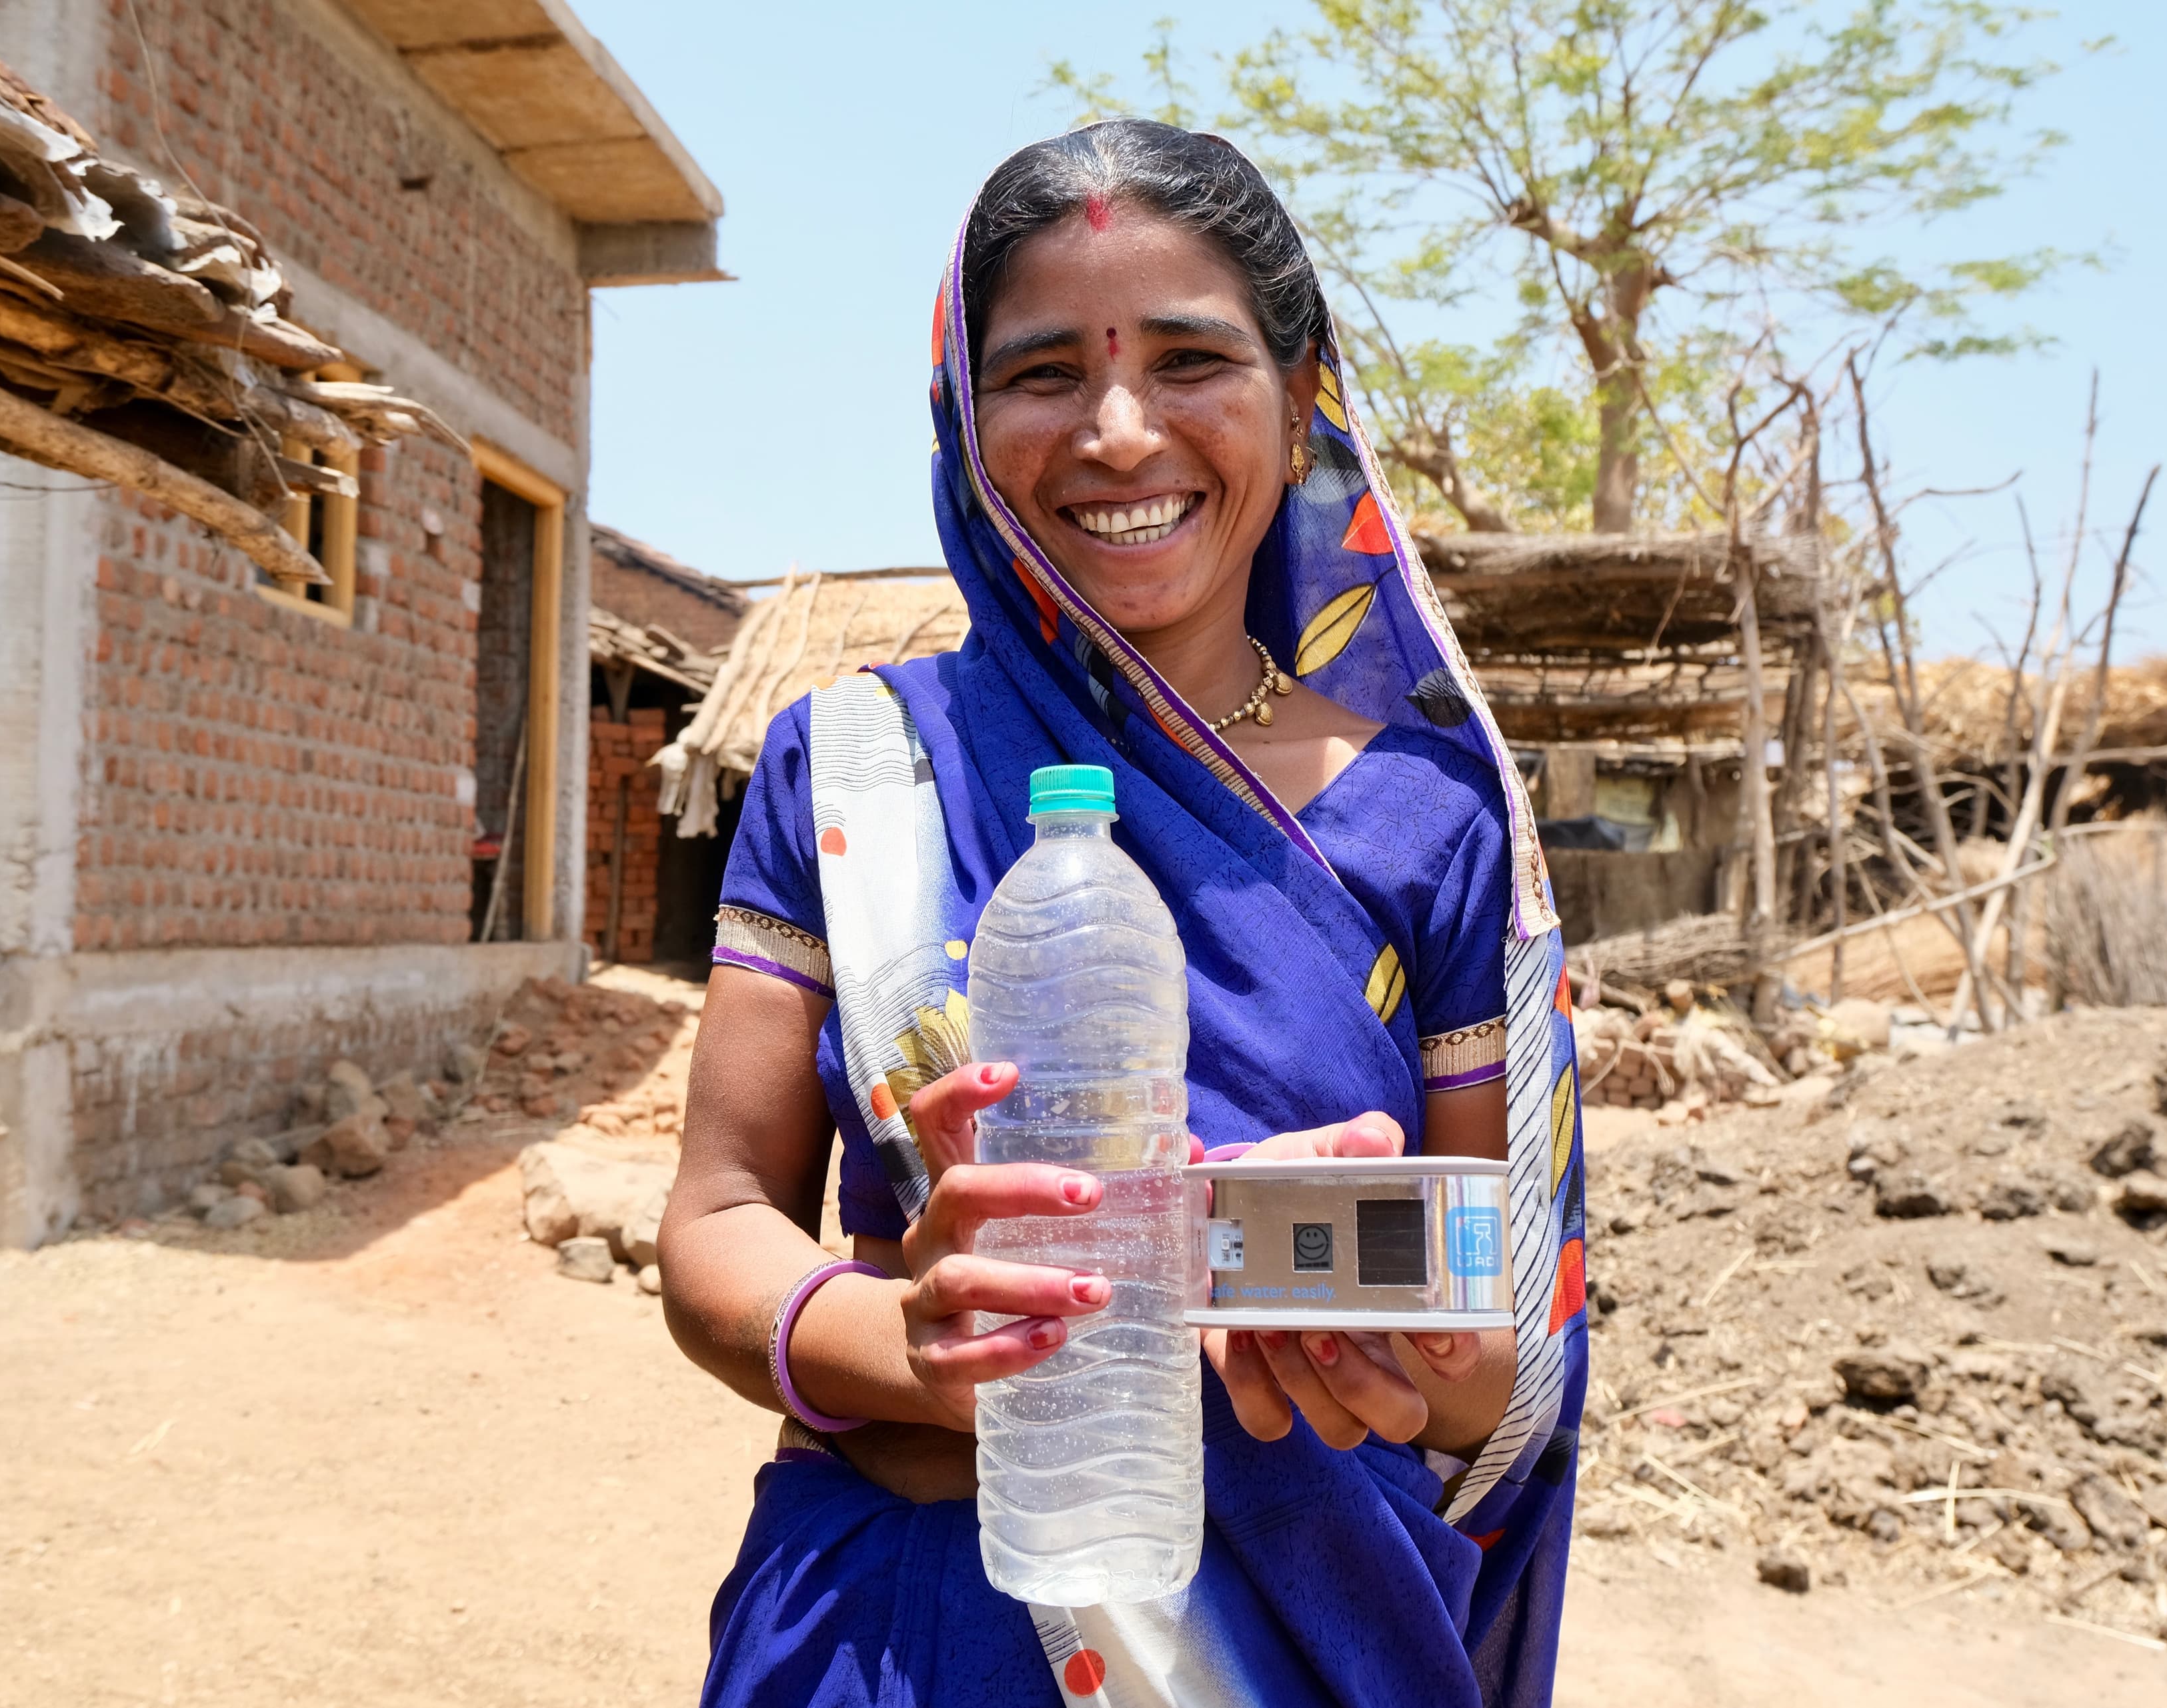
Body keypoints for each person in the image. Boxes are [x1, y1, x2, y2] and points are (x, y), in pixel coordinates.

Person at [660, 119, 1588, 1708]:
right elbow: (720, 1219)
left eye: (1187, 361)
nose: (1116, 430)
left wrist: (1359, 1328)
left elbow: (1505, 1357)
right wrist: (918, 1350)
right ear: (963, 419)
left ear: (1301, 411)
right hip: (899, 1635)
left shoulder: (1431, 821)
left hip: (1295, 1638)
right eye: (1040, 375)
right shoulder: (864, 768)